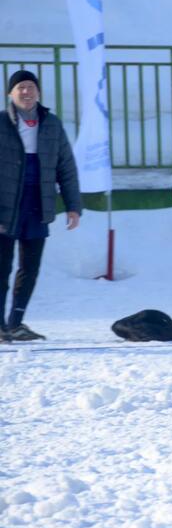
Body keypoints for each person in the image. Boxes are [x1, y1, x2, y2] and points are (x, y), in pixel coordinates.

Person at [0, 70, 82, 342]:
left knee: (30, 267)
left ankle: (16, 322)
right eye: (20, 87)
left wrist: (73, 205)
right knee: (2, 266)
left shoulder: (51, 124)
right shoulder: (2, 123)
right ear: (10, 94)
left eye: (31, 87)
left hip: (38, 204)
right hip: (5, 205)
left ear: (38, 92)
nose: (26, 92)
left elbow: (66, 167)